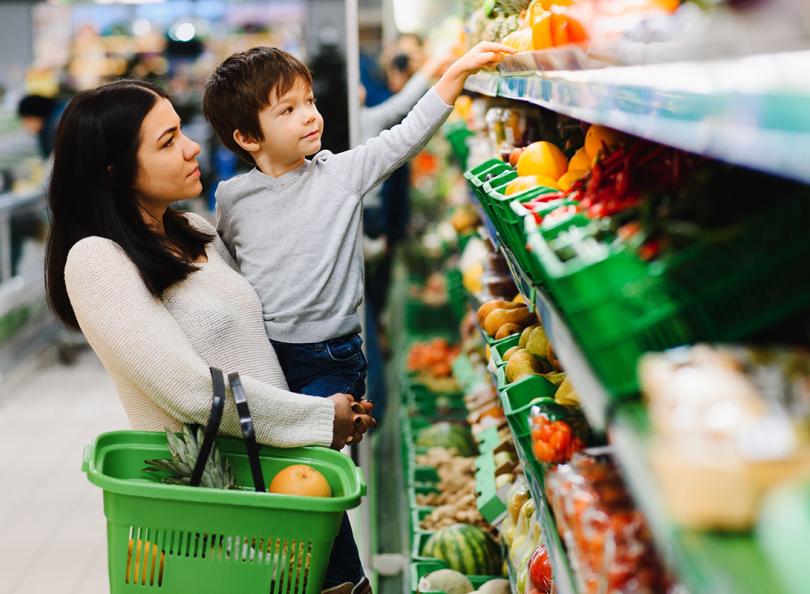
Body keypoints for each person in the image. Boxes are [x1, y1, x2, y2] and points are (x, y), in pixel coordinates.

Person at [43, 79, 376, 591]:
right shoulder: (96, 260)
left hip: (287, 487)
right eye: (168, 141)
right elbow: (189, 389)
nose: (193, 146)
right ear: (115, 174)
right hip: (212, 514)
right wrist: (317, 417)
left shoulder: (195, 232)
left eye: (181, 131)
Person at [201, 41, 512, 403]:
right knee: (280, 453)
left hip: (331, 359)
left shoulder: (340, 175)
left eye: (310, 101)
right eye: (288, 109)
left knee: (310, 449)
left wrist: (455, 74)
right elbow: (227, 271)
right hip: (265, 351)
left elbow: (405, 136)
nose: (310, 115)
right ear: (248, 138)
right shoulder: (232, 197)